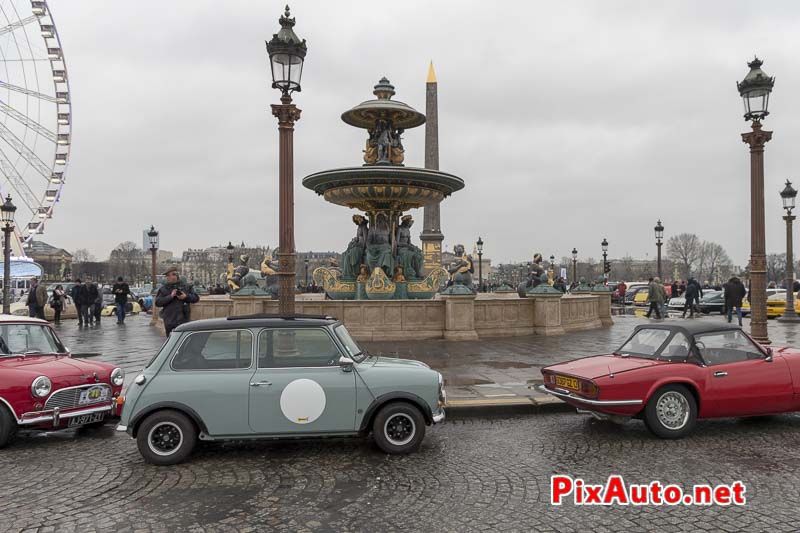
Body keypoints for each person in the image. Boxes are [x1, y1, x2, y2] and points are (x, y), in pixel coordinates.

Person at [156, 267, 199, 336]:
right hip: (169, 321)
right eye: (167, 276)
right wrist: (170, 296)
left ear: (175, 276)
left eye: (169, 275)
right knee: (171, 342)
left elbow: (196, 298)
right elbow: (158, 302)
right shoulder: (163, 289)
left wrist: (185, 297)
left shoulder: (186, 287)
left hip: (184, 320)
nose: (167, 278)